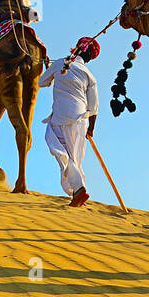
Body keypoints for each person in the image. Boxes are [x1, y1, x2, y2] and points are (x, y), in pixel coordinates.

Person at [38, 38, 100, 206]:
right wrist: (91, 130)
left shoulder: (60, 63)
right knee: (75, 159)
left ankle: (79, 190)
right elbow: (94, 108)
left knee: (58, 149)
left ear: (76, 49)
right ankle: (78, 194)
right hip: (82, 121)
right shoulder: (90, 75)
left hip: (61, 117)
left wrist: (48, 68)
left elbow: (41, 82)